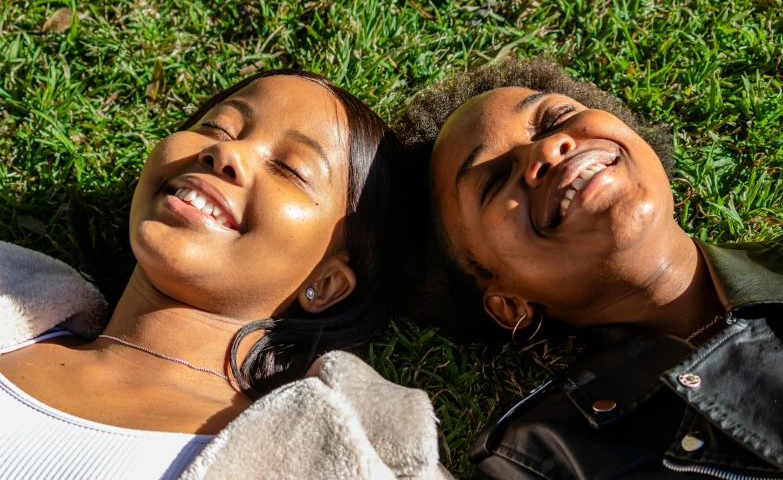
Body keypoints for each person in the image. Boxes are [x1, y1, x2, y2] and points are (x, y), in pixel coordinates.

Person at [0, 70, 450, 480]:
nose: (225, 151)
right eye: (218, 126)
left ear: (327, 284)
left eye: (289, 169)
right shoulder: (12, 298)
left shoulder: (314, 465)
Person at [396, 57, 783, 479]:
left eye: (556, 117)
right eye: (493, 181)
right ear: (510, 303)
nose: (547, 148)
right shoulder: (548, 459)